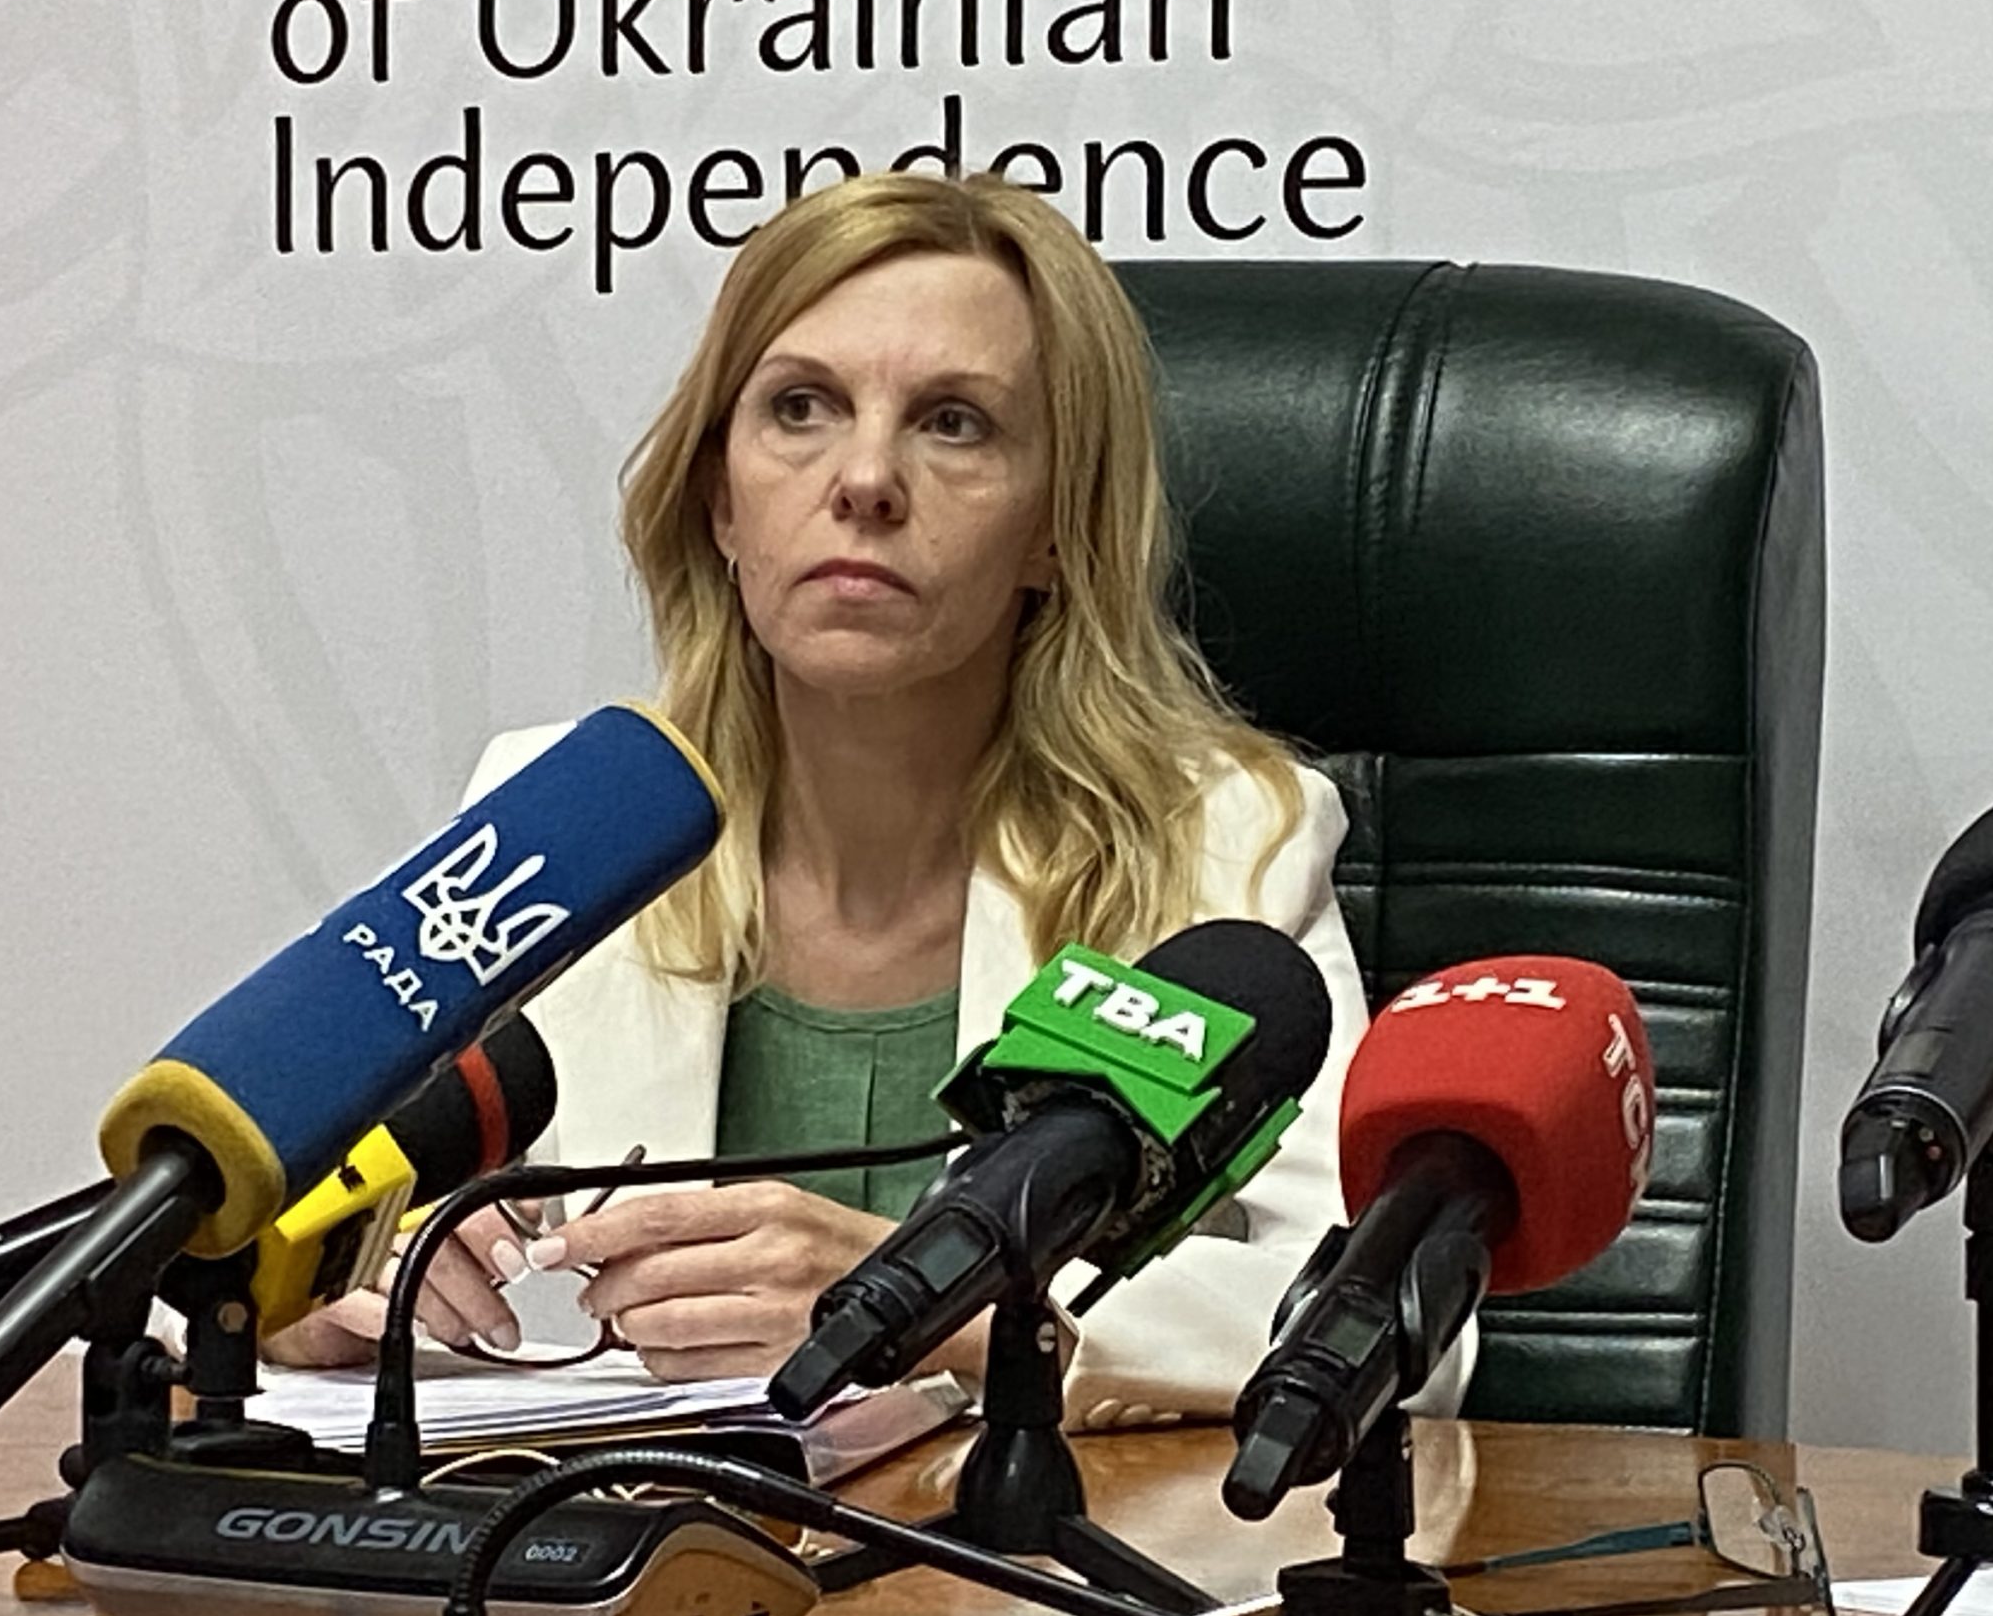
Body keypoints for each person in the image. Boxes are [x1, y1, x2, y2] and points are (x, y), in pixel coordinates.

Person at [271, 169, 1462, 1427]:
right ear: (720, 499)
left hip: (1038, 1545)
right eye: (801, 408)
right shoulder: (560, 825)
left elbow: (1397, 1331)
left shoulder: (1218, 845)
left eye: (954, 423)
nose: (865, 479)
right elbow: (227, 1224)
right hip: (633, 1535)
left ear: (1058, 526)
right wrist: (307, 1286)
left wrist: (956, 1311)